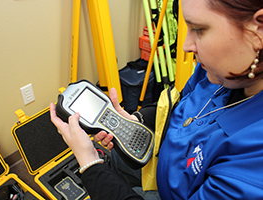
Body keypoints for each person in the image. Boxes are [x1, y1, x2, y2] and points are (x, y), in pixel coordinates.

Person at [50, 0, 263, 199]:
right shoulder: (217, 72)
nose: (186, 46)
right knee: (115, 158)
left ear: (259, 31)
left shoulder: (253, 167)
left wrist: (89, 164)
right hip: (163, 165)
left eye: (199, 29)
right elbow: (180, 105)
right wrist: (138, 119)